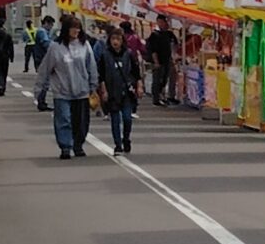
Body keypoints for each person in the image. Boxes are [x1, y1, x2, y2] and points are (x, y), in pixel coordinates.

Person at [36, 16, 97, 158]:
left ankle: (78, 145)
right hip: (62, 91)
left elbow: (91, 66)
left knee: (81, 122)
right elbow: (45, 69)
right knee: (64, 119)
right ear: (66, 29)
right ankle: (65, 147)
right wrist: (39, 89)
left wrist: (93, 85)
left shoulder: (85, 45)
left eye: (78, 28)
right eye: (73, 27)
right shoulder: (55, 47)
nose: (76, 30)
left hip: (82, 90)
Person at [95, 24, 141, 155]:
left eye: (118, 39)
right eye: (113, 39)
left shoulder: (129, 54)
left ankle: (126, 138)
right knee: (115, 119)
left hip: (126, 91)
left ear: (122, 41)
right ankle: (118, 144)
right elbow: (101, 75)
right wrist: (104, 90)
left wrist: (139, 86)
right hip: (112, 92)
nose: (115, 42)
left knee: (127, 118)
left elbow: (136, 72)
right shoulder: (105, 55)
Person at [146, 22, 177, 107]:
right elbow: (153, 50)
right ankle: (156, 99)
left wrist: (173, 57)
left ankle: (162, 96)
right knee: (157, 80)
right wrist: (156, 61)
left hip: (167, 60)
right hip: (159, 61)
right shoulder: (154, 35)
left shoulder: (169, 34)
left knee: (164, 79)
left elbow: (175, 45)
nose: (166, 24)